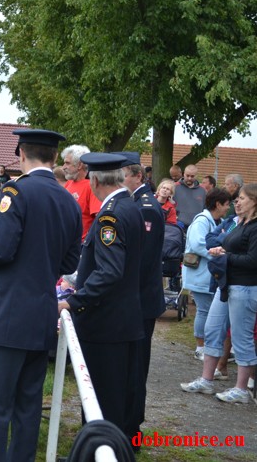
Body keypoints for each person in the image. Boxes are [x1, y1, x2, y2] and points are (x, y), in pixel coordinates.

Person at [0, 129, 82, 462]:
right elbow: (70, 261)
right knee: (27, 407)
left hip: (5, 314)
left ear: (21, 154)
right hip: (41, 312)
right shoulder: (68, 199)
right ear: (54, 158)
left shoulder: (15, 191)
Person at [58, 152, 144, 442]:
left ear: (94, 180)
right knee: (115, 399)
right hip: (121, 319)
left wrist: (74, 300)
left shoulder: (110, 214)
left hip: (105, 324)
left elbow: (109, 271)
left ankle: (101, 451)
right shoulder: (130, 206)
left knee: (102, 402)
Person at [181, 183, 257, 404]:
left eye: (242, 198)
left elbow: (253, 261)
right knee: (212, 329)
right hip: (226, 286)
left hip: (244, 288)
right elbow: (215, 239)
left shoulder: (254, 228)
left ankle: (242, 388)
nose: (237, 201)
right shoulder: (237, 223)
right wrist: (219, 250)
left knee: (241, 338)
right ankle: (206, 379)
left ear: (254, 201)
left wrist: (224, 256)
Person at [116, 152, 165, 442]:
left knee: (135, 367)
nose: (120, 181)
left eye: (123, 175)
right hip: (138, 300)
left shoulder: (145, 207)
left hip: (140, 301)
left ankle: (131, 431)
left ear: (136, 176)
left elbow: (141, 261)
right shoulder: (138, 203)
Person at [182, 188, 231, 360]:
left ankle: (210, 346)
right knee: (204, 310)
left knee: (209, 311)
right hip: (200, 274)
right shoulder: (202, 221)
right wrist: (218, 252)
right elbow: (197, 244)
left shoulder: (219, 221)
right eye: (226, 204)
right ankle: (200, 347)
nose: (228, 207)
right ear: (217, 204)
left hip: (209, 275)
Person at [61, 144, 102, 240]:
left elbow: (98, 219)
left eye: (67, 163)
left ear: (79, 165)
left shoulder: (91, 186)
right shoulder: (68, 183)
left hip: (81, 246)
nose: (63, 167)